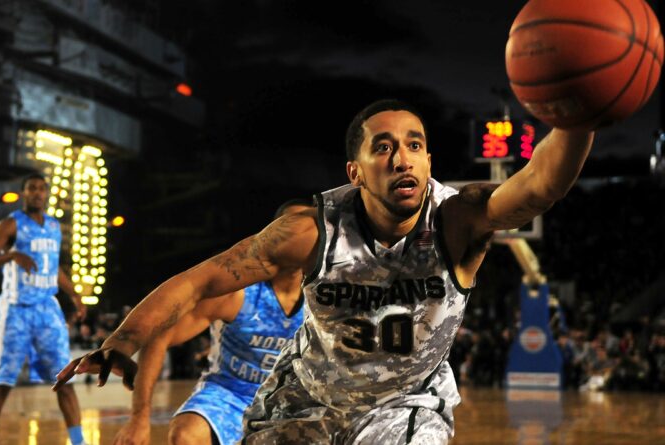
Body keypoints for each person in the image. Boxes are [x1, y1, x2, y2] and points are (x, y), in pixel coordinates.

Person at [55, 99, 595, 444]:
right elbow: (201, 280)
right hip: (306, 398)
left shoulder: (458, 220)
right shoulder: (310, 230)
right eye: (384, 147)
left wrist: (581, 114)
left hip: (404, 403)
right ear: (355, 172)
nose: (402, 158)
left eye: (415, 145)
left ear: (429, 162)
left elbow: (540, 185)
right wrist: (121, 340)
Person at [115, 200, 309, 445]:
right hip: (230, 394)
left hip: (293, 400)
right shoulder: (238, 291)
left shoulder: (326, 297)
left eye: (307, 229)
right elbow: (160, 336)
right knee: (186, 435)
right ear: (271, 235)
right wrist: (139, 418)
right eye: (290, 227)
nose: (298, 236)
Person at [0, 172, 89, 445]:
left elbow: (53, 268)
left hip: (47, 309)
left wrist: (74, 295)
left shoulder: (54, 226)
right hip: (16, 309)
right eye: (32, 188)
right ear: (24, 193)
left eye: (41, 189)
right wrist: (11, 255)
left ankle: (79, 441)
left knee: (65, 377)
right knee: (4, 381)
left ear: (46, 193)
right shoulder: (10, 224)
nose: (37, 193)